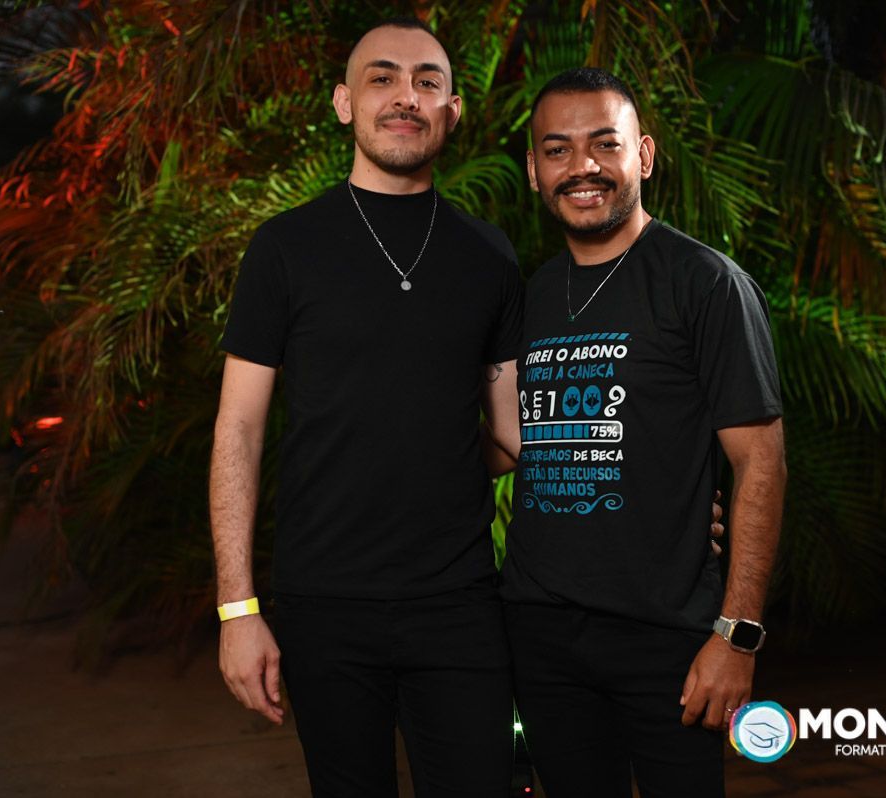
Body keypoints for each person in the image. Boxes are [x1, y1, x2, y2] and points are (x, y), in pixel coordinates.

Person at [209, 17, 525, 798]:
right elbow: (239, 431)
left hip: (459, 603)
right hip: (324, 605)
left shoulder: (489, 255)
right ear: (345, 103)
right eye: (382, 78)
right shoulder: (285, 247)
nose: (405, 96)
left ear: (452, 110)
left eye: (427, 82)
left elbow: (511, 437)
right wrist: (236, 610)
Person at [499, 68, 787, 797]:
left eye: (605, 144)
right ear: (534, 170)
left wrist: (738, 636)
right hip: (540, 635)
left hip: (667, 637)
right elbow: (508, 443)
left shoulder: (706, 283)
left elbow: (761, 465)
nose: (583, 167)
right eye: (558, 150)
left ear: (645, 155)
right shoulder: (530, 296)